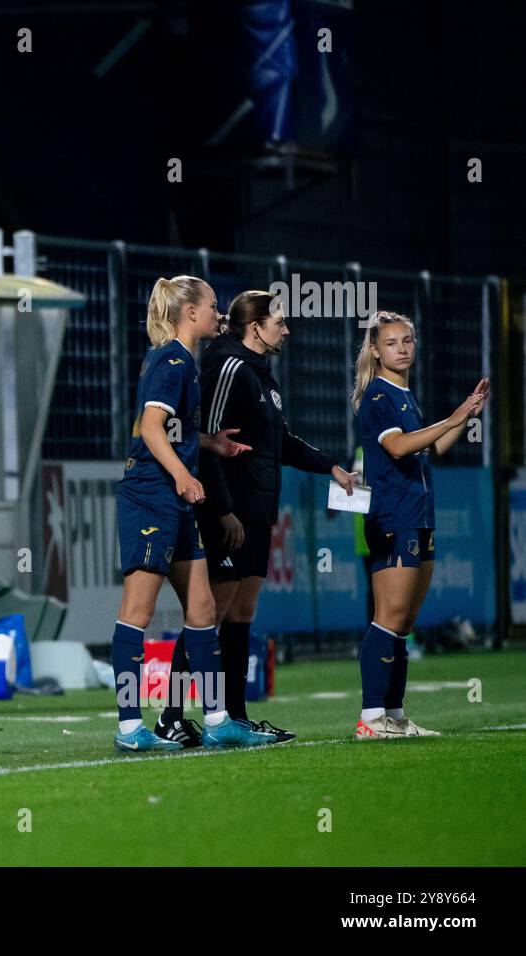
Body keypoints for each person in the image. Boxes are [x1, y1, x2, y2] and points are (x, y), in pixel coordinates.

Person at [155, 290, 357, 746]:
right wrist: (223, 510)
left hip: (258, 513)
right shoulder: (227, 368)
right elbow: (208, 442)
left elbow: (280, 441)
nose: (286, 329)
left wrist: (330, 467)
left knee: (241, 612)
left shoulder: (262, 374)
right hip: (230, 512)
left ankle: (235, 718)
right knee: (209, 612)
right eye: (279, 322)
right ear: (256, 327)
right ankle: (171, 715)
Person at [107, 275, 275, 752]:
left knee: (202, 609)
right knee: (137, 612)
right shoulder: (172, 360)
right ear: (191, 313)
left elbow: (170, 429)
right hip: (150, 496)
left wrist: (208, 443)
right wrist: (183, 474)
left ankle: (218, 720)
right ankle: (129, 728)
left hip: (173, 502)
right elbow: (152, 429)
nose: (219, 313)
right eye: (213, 305)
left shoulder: (180, 359)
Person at [351, 312, 488, 739]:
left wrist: (467, 415)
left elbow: (434, 448)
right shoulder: (378, 396)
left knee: (405, 622)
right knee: (388, 616)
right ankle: (371, 716)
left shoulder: (405, 396)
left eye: (407, 340)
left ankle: (393, 715)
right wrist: (452, 418)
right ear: (376, 351)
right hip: (394, 517)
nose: (402, 348)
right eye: (391, 342)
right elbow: (397, 447)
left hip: (419, 516)